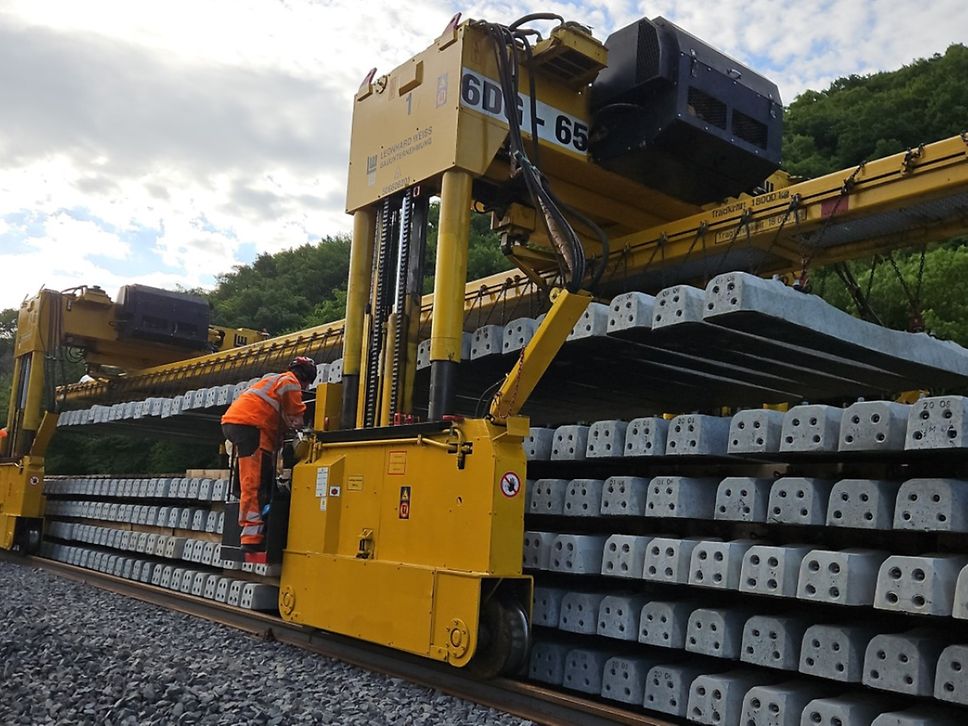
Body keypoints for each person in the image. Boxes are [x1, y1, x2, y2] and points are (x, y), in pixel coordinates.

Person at [221, 356, 316, 550]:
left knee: (258, 478)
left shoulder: (274, 383)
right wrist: (305, 428)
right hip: (250, 425)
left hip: (242, 425)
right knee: (254, 482)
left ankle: (254, 529)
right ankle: (251, 537)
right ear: (306, 376)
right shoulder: (290, 383)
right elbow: (296, 419)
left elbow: (277, 417)